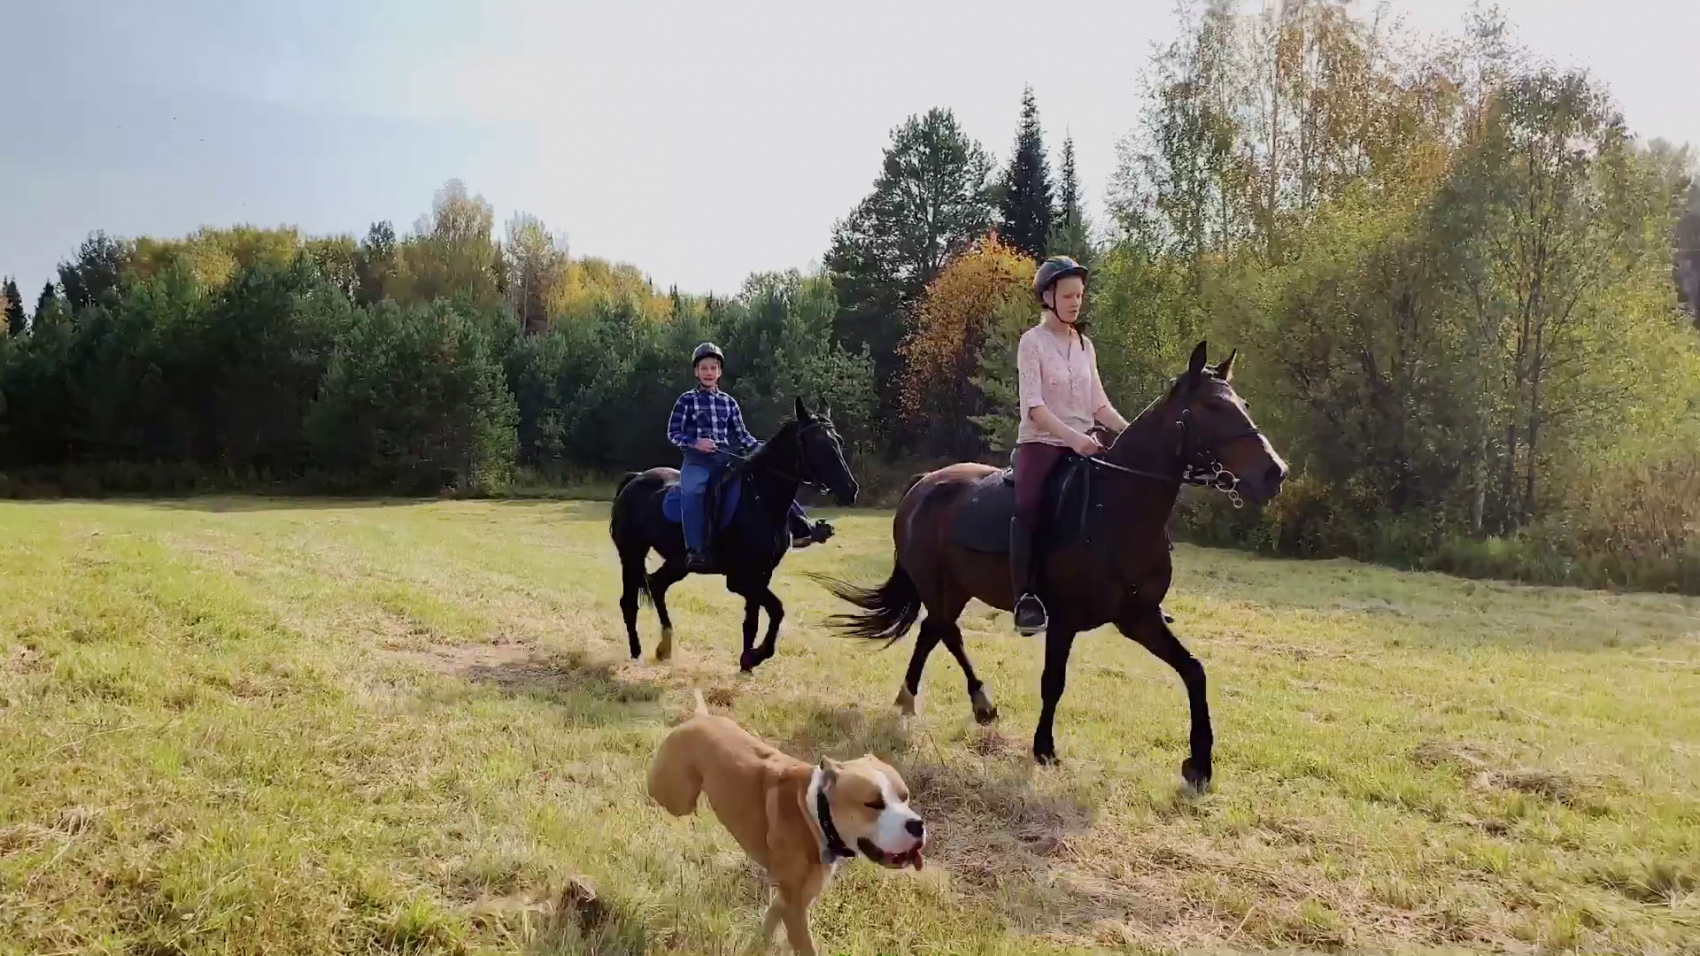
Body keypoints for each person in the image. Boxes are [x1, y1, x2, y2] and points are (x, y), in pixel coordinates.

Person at [1010, 256, 1131, 635]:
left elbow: (1099, 405)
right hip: (1042, 444)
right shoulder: (1032, 343)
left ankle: (1130, 592)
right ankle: (1027, 598)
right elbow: (1034, 408)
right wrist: (1076, 439)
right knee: (1029, 507)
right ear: (1048, 296)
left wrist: (1130, 432)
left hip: (1085, 443)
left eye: (1079, 295)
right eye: (1068, 295)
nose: (1076, 302)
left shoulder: (1085, 345)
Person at [667, 342, 831, 571]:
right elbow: (673, 433)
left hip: (725, 458)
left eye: (713, 368)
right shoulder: (686, 400)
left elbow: (742, 436)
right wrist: (695, 443)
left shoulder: (729, 402)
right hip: (697, 462)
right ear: (696, 372)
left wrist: (762, 451)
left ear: (719, 372)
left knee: (768, 478)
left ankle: (802, 527)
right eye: (704, 368)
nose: (708, 373)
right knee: (693, 490)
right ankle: (696, 550)